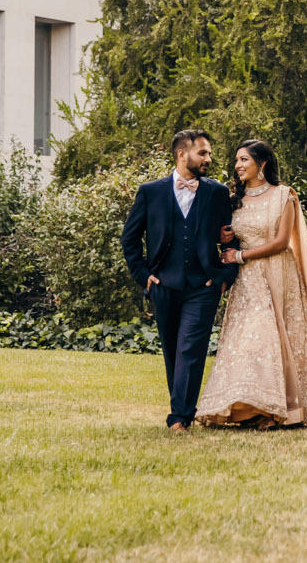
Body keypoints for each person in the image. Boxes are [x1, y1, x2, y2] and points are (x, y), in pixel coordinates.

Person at [195, 139, 307, 428]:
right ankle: (249, 408)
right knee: (250, 340)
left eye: (244, 160)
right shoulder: (234, 200)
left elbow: (281, 241)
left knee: (279, 340)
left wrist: (241, 254)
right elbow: (225, 236)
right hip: (247, 281)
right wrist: (225, 239)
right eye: (236, 160)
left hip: (278, 274)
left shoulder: (284, 196)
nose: (237, 166)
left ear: (263, 164)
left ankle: (278, 410)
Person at [120, 129, 237, 432]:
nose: (208, 159)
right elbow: (130, 239)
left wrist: (224, 278)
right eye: (203, 153)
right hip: (163, 286)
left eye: (209, 153)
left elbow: (230, 241)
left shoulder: (217, 193)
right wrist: (145, 278)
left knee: (190, 348)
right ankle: (182, 409)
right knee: (173, 350)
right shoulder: (151, 192)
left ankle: (179, 418)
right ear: (182, 154)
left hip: (203, 286)